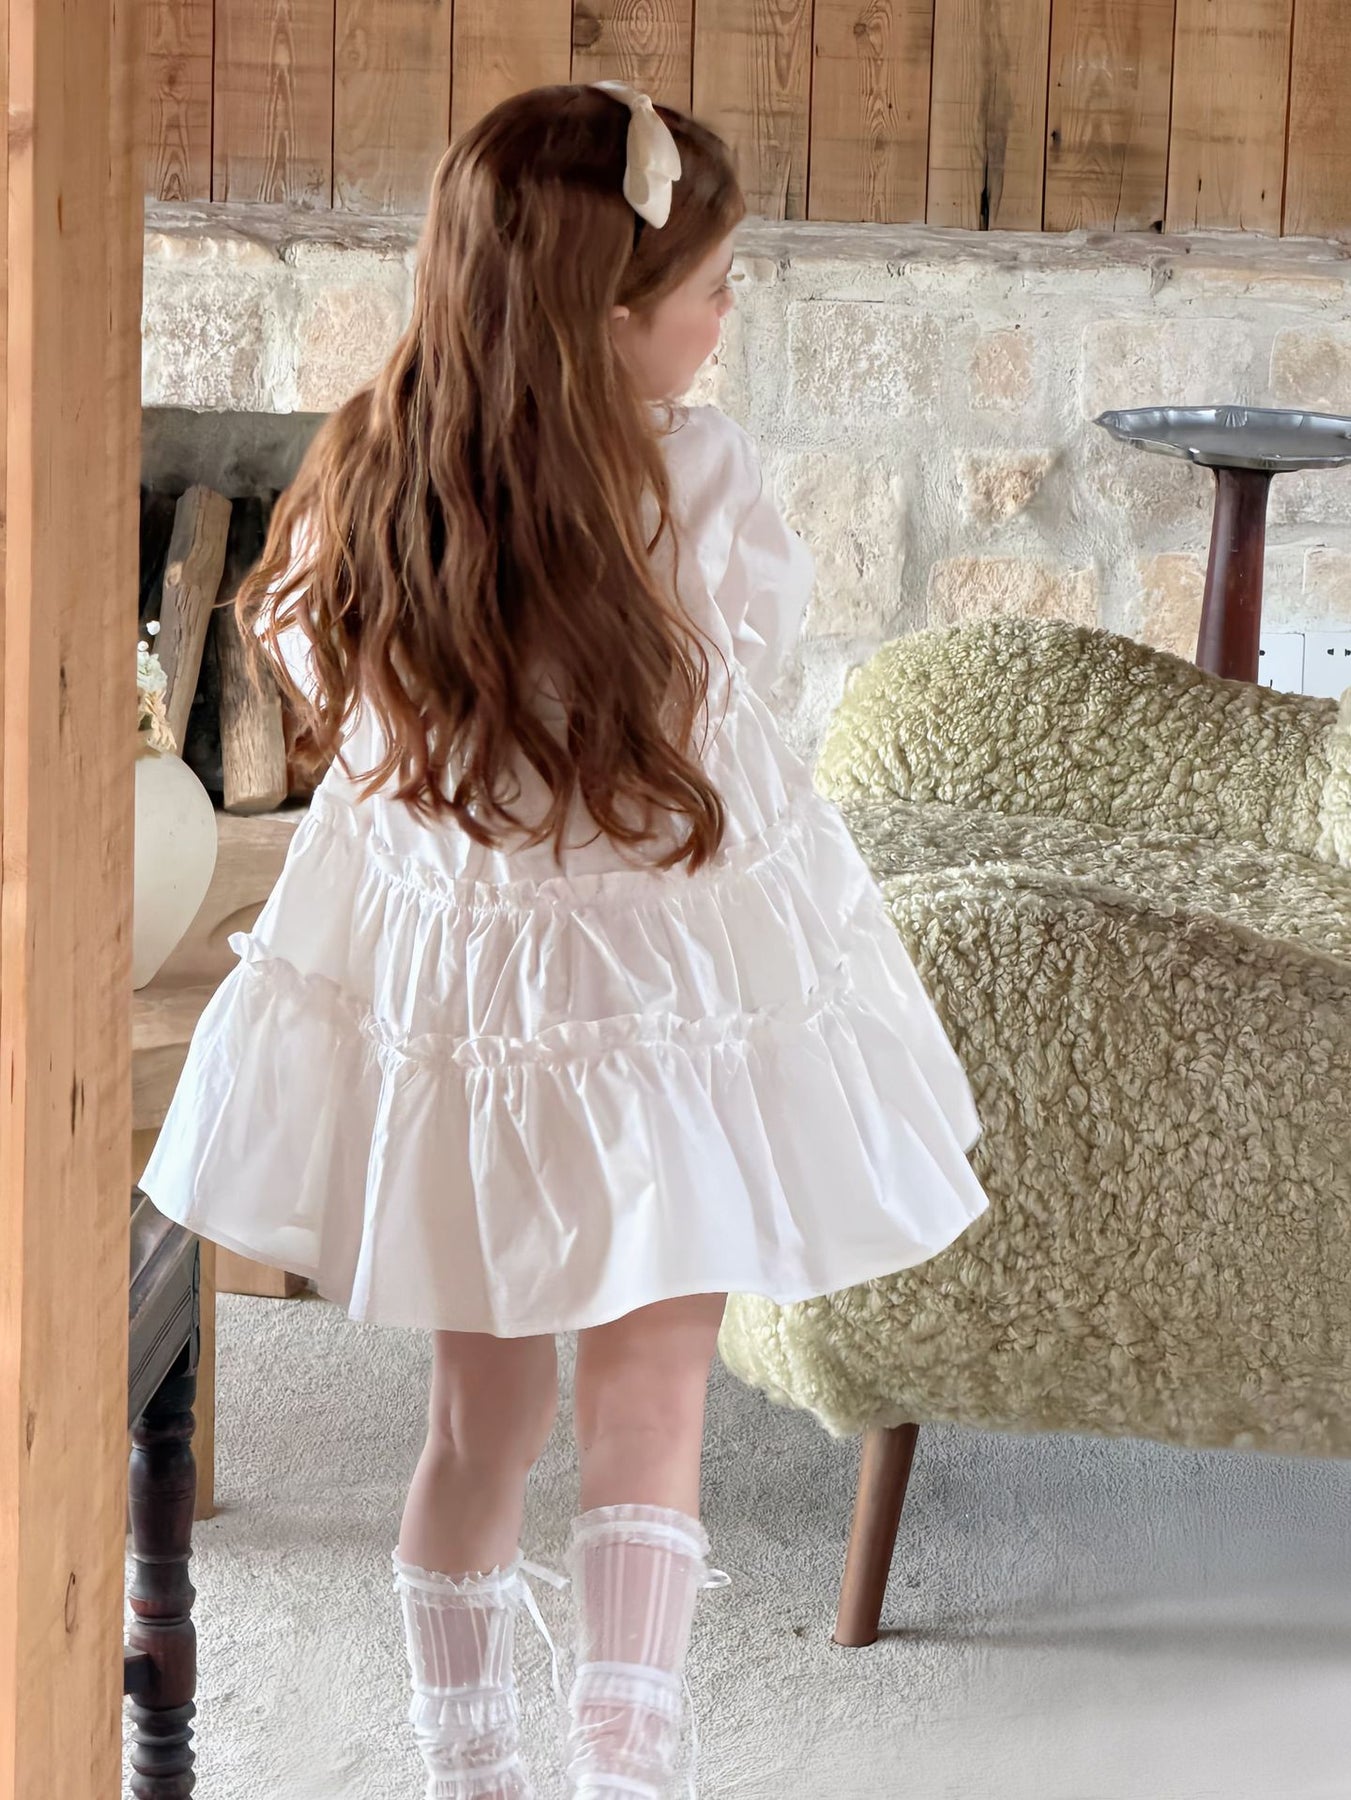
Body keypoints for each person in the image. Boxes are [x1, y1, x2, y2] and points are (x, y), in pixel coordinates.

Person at [141, 81, 989, 1800]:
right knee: (650, 1416)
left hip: (472, 1013)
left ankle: (471, 1770)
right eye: (712, 288)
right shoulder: (697, 478)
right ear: (609, 316)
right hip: (665, 999)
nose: (727, 315)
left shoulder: (375, 466)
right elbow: (746, 674)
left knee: (482, 1424)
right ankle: (627, 1765)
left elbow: (309, 669)